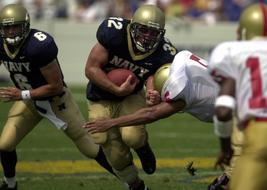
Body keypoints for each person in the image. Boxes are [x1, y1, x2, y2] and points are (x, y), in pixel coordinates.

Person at [0, 4, 115, 190]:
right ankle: (10, 184)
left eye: (16, 26)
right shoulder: (2, 44)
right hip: (28, 102)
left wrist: (22, 94)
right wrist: (24, 95)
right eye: (7, 27)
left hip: (56, 101)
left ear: (26, 25)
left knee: (91, 149)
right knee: (5, 144)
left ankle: (132, 183)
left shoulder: (38, 46)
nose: (11, 32)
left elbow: (55, 86)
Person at [84, 4, 177, 190]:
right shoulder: (113, 33)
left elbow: (153, 73)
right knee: (105, 142)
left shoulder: (164, 50)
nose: (148, 36)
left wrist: (152, 92)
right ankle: (136, 185)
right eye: (144, 30)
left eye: (153, 33)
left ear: (161, 33)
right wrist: (115, 89)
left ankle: (142, 147)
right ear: (132, 26)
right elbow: (91, 68)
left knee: (133, 137)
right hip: (100, 96)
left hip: (132, 95)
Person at [84, 50, 219, 146]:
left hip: (233, 110)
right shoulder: (182, 59)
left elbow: (151, 114)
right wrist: (150, 90)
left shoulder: (181, 93)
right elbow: (155, 75)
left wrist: (111, 122)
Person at [208, 3, 267, 190]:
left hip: (259, 133)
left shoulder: (232, 53)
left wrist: (225, 149)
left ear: (243, 30)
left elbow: (224, 111)